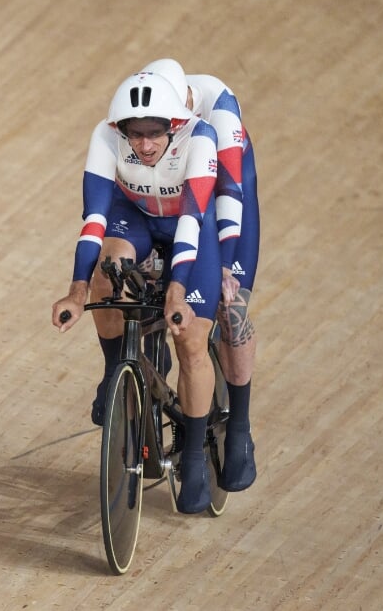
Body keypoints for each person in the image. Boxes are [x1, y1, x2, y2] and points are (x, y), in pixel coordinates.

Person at [51, 71, 221, 513]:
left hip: (189, 229)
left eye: (154, 134)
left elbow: (191, 222)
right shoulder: (105, 139)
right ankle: (115, 372)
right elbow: (94, 219)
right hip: (139, 219)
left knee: (190, 341)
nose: (144, 145)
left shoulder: (200, 139)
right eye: (135, 135)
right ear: (120, 131)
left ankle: (197, 452)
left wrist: (177, 290)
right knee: (110, 265)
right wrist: (76, 291)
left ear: (174, 126)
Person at [140, 58, 259, 493]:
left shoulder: (219, 111)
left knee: (231, 307)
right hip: (177, 202)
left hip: (229, 195)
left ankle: (240, 428)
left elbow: (228, 193)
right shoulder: (151, 115)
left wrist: (226, 265)